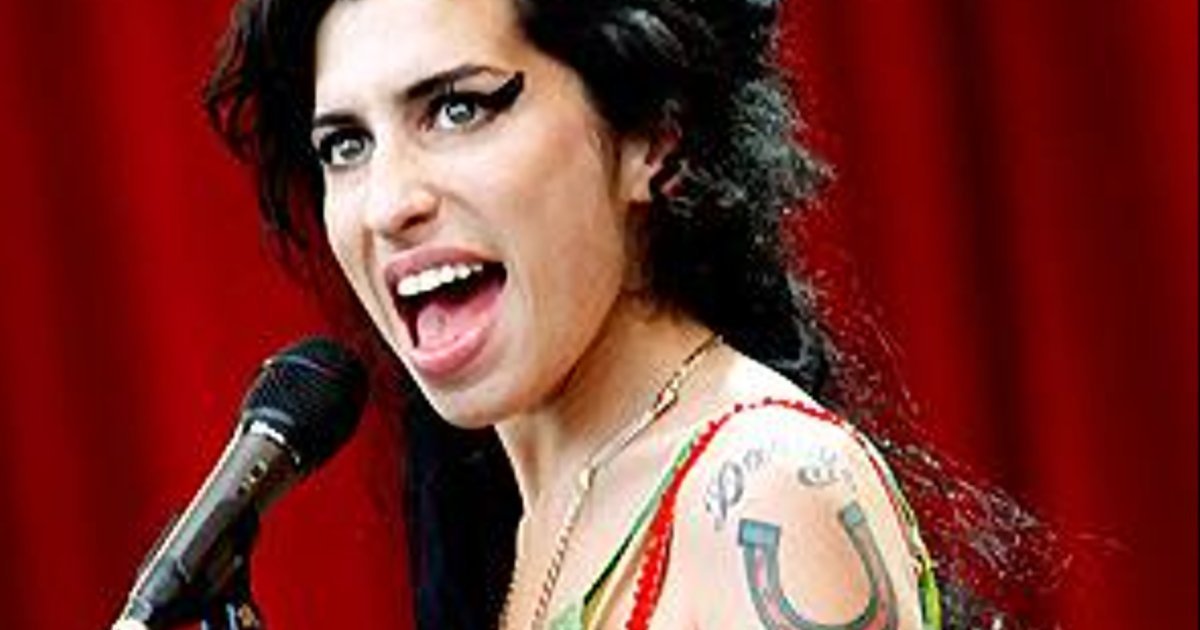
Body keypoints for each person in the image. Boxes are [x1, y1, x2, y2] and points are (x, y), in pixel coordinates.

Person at [204, 0, 1063, 627]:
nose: (388, 203)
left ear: (653, 135)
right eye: (345, 145)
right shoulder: (521, 521)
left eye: (458, 109)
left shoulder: (766, 485)